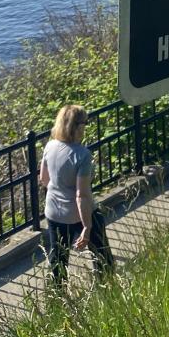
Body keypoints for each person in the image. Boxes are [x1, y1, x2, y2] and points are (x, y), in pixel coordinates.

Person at [40, 104, 113, 282]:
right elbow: (82, 195)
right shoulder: (82, 155)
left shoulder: (50, 146)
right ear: (76, 126)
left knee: (58, 259)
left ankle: (57, 300)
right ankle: (107, 289)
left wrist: (61, 190)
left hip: (54, 212)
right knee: (103, 256)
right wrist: (86, 227)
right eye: (85, 123)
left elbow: (43, 178)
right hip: (79, 213)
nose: (86, 126)